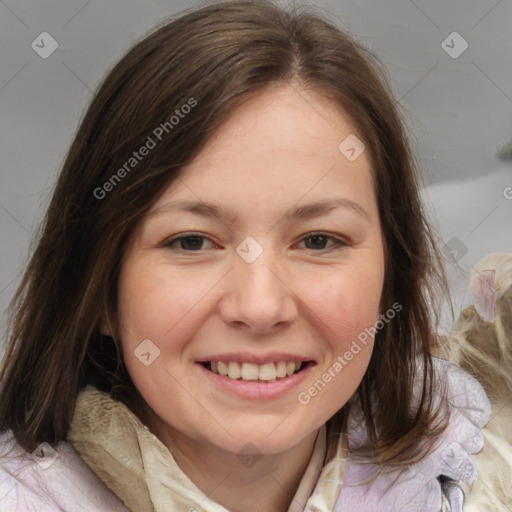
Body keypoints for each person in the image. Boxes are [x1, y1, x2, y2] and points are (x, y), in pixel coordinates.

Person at [0, 1, 492, 511]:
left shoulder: (476, 472)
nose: (260, 308)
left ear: (391, 275)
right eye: (191, 241)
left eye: (318, 240)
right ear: (98, 286)